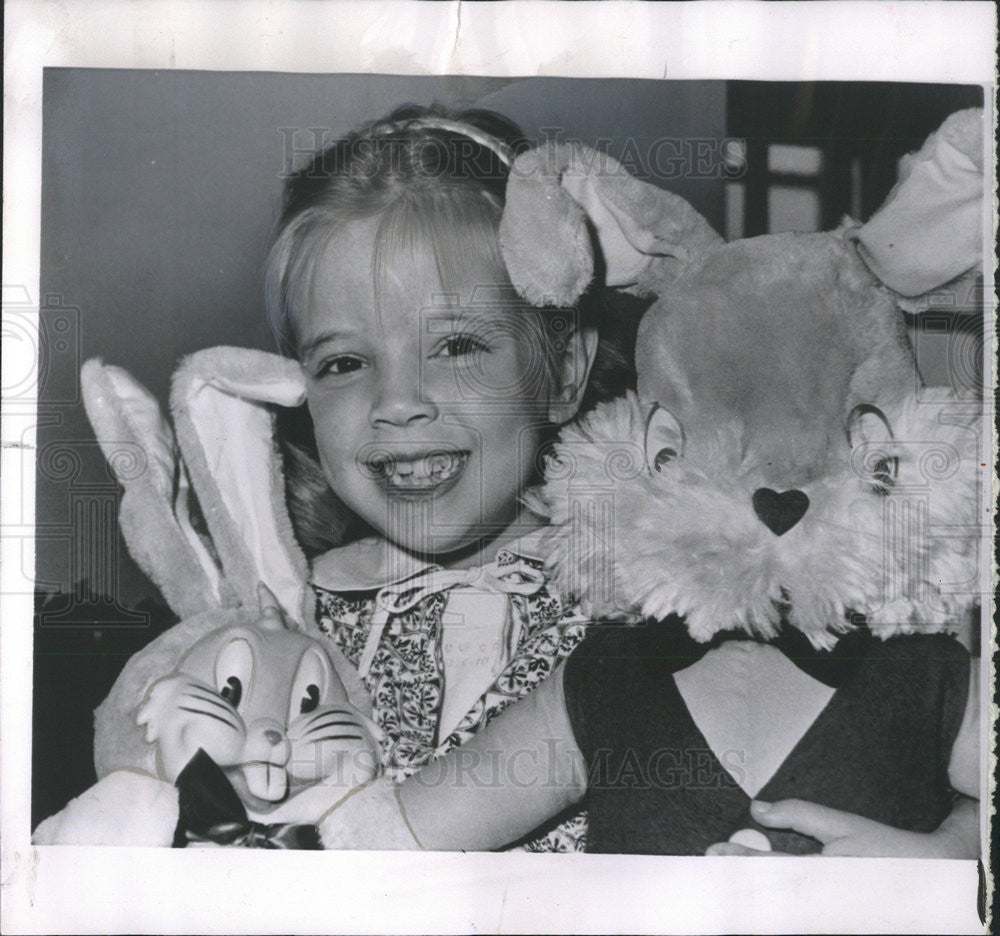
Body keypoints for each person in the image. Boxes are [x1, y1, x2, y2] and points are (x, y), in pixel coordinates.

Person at [264, 104, 642, 851]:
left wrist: (950, 846)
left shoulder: (645, 609)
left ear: (563, 370)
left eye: (459, 346)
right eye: (344, 363)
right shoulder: (283, 620)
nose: (399, 402)